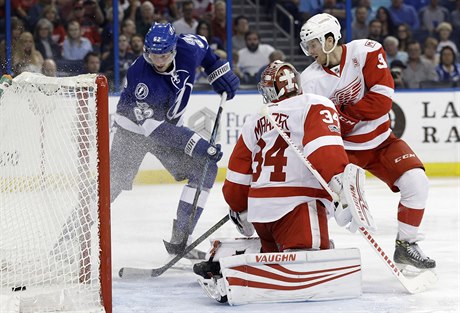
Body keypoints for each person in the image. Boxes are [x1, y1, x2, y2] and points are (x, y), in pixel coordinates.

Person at [193, 60, 370, 304]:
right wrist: (341, 188)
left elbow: (236, 177)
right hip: (298, 206)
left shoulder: (256, 118)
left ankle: (231, 259)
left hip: (261, 214)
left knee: (284, 253)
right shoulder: (315, 103)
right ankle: (233, 277)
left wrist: (239, 207)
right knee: (309, 265)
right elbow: (324, 149)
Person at [299, 13, 436, 270]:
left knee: (416, 182)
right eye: (307, 46)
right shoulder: (309, 80)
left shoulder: (366, 51)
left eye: (313, 44)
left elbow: (382, 99)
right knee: (322, 199)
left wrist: (345, 117)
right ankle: (313, 244)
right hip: (342, 149)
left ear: (330, 39)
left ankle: (406, 245)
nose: (310, 51)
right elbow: (319, 126)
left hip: (381, 141)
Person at [110, 23, 240, 258]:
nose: (158, 60)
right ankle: (71, 237)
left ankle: (182, 242)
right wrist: (199, 145)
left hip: (165, 126)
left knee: (205, 168)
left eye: (164, 54)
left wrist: (218, 72)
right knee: (111, 185)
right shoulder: (141, 78)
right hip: (131, 132)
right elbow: (155, 130)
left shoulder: (189, 47)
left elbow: (206, 50)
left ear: (174, 50)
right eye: (152, 55)